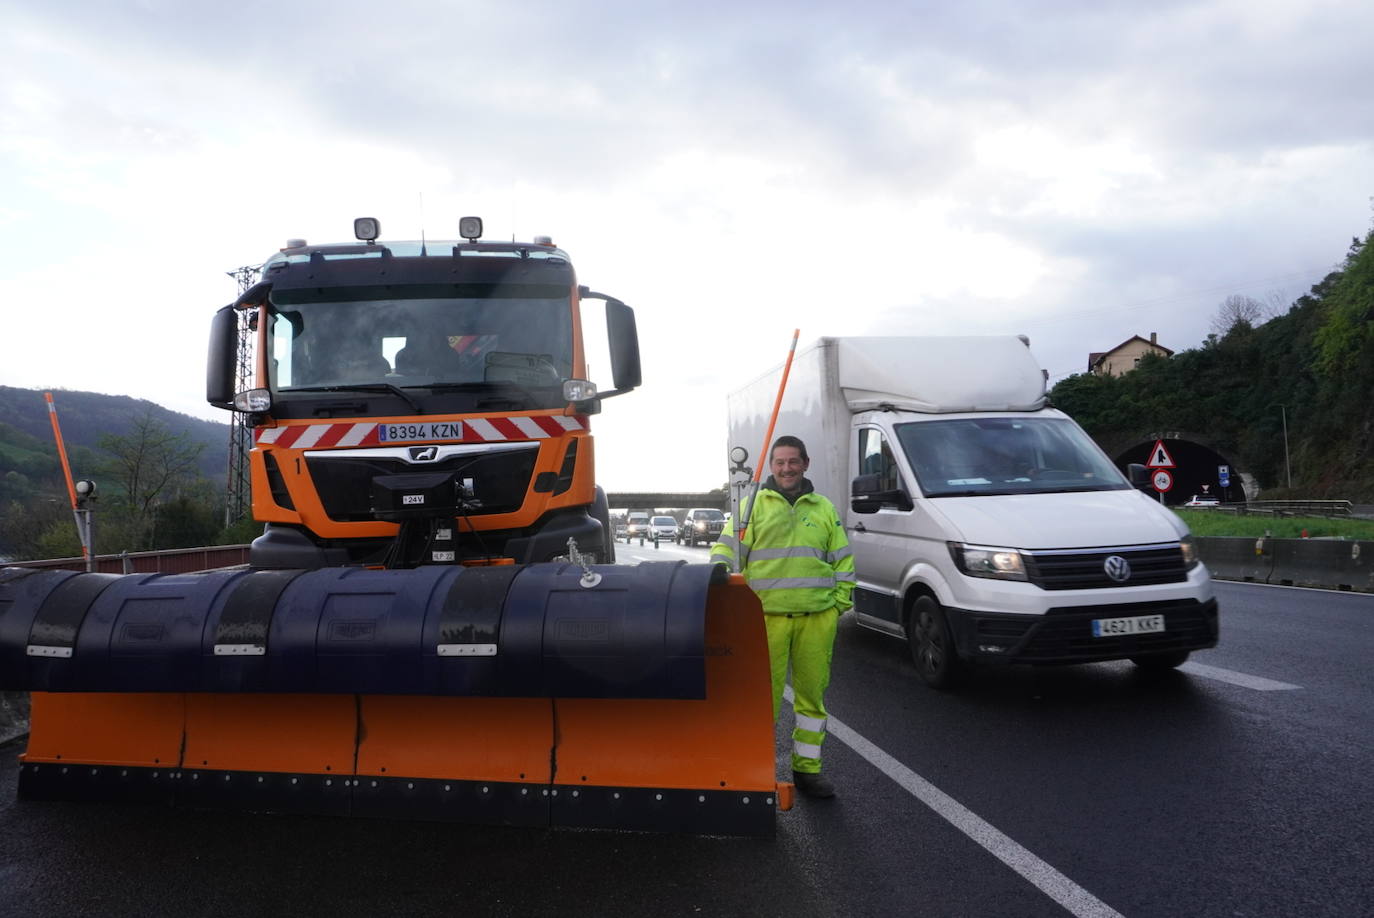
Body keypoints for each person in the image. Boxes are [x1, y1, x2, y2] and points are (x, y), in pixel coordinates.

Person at [710, 435, 854, 798]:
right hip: (764, 620)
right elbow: (725, 548)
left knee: (811, 701)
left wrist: (838, 604)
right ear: (771, 467)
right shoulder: (752, 506)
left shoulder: (824, 508)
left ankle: (808, 771)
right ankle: (755, 773)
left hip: (816, 619)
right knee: (762, 701)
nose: (786, 468)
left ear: (805, 464)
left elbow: (843, 561)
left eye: (793, 461)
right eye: (780, 462)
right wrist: (717, 571)